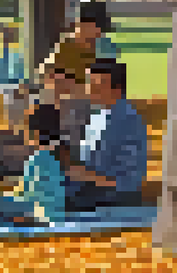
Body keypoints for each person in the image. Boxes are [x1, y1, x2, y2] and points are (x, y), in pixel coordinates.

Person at [62, 58, 148, 210]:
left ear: (117, 89)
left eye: (98, 85)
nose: (90, 90)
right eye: (89, 84)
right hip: (88, 192)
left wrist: (87, 176)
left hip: (114, 200)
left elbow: (130, 181)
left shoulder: (128, 121)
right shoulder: (97, 115)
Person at [0, 103, 68, 226]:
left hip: (40, 217)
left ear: (34, 132)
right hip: (45, 214)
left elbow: (27, 200)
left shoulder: (39, 159)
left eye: (25, 128)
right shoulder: (52, 156)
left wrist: (2, 194)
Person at [0, 23, 27, 120]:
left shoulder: (18, 54)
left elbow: (20, 76)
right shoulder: (5, 54)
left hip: (14, 88)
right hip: (6, 87)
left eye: (7, 35)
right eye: (4, 35)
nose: (4, 38)